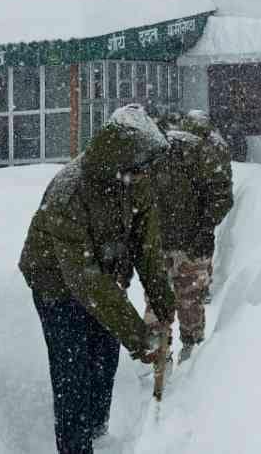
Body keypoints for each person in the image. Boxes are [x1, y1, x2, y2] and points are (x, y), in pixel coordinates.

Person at [19, 104, 176, 454]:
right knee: (72, 372)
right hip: (56, 286)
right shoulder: (70, 192)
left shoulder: (135, 180)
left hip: (101, 276)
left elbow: (146, 246)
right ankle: (76, 447)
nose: (146, 173)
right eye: (140, 166)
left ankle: (97, 433)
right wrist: (140, 338)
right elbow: (84, 281)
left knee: (104, 357)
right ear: (120, 159)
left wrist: (163, 301)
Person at [144, 109, 234, 363]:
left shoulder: (195, 152)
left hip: (184, 242)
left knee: (182, 299)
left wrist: (204, 227)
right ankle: (168, 354)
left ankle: (186, 354)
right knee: (171, 300)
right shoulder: (150, 156)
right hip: (166, 243)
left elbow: (220, 195)